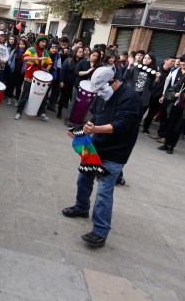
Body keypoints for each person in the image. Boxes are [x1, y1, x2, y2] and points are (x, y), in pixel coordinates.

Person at [62, 67, 142, 247]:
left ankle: (100, 231)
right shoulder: (101, 95)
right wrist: (80, 131)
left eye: (100, 89)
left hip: (116, 151)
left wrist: (96, 129)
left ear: (113, 81)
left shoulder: (130, 97)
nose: (98, 93)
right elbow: (96, 118)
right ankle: (81, 207)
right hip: (95, 146)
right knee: (83, 178)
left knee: (104, 192)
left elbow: (124, 124)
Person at [158, 70, 185, 154]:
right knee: (169, 127)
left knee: (177, 129)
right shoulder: (180, 83)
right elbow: (168, 93)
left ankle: (171, 146)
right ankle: (166, 144)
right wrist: (174, 94)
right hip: (174, 108)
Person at [14, 34, 52, 121]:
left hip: (40, 78)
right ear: (38, 42)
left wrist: (47, 69)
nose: (44, 44)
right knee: (25, 95)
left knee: (42, 96)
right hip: (30, 76)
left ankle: (41, 113)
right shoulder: (31, 49)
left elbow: (50, 63)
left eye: (45, 42)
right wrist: (37, 59)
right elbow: (25, 58)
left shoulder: (45, 52)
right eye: (42, 42)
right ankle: (19, 112)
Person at [122, 52, 160, 129]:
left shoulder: (153, 72)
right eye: (145, 58)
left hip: (142, 96)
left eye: (149, 58)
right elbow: (125, 78)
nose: (146, 60)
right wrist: (129, 66)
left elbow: (153, 88)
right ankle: (122, 126)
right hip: (131, 94)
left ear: (152, 61)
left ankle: (132, 128)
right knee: (125, 111)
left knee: (137, 114)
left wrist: (157, 78)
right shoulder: (135, 67)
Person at [142, 56, 175, 137]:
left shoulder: (172, 73)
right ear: (165, 60)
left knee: (151, 114)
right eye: (172, 61)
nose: (173, 63)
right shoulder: (156, 69)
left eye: (174, 61)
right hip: (149, 94)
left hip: (159, 97)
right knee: (141, 111)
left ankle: (146, 127)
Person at [58, 46, 84, 120]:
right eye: (80, 52)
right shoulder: (68, 60)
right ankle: (59, 112)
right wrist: (61, 81)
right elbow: (62, 71)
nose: (81, 53)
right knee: (62, 98)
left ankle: (70, 115)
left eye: (82, 52)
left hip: (76, 84)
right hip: (66, 82)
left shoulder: (83, 62)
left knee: (73, 100)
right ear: (75, 52)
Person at [5, 38, 27, 106]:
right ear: (18, 44)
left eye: (23, 44)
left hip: (21, 73)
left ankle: (17, 100)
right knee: (11, 85)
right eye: (20, 44)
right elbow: (9, 59)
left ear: (25, 45)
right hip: (13, 71)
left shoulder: (27, 53)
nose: (22, 45)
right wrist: (10, 65)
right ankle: (9, 98)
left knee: (18, 87)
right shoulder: (15, 51)